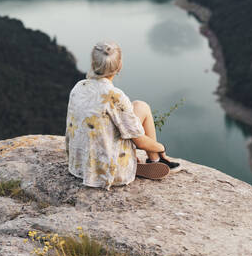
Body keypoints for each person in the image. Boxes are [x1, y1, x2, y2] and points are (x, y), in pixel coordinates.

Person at [65, 40, 180, 190]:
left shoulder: (78, 87)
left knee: (137, 106)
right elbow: (140, 142)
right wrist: (161, 147)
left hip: (79, 166)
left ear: (93, 64)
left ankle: (152, 160)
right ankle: (155, 159)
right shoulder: (115, 96)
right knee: (142, 107)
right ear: (119, 66)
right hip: (108, 171)